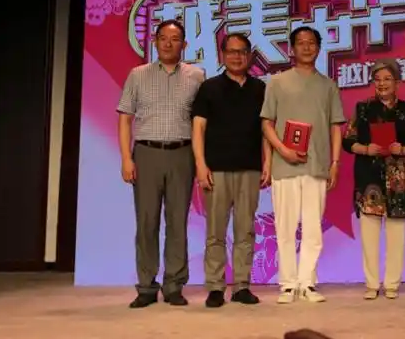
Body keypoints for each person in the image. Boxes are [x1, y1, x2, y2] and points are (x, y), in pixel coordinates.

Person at [117, 19, 205, 308]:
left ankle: (174, 285)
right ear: (154, 42)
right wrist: (126, 158)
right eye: (163, 38)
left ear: (184, 44)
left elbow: (201, 123)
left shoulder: (197, 76)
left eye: (175, 38)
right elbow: (125, 118)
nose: (168, 43)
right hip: (146, 153)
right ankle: (146, 286)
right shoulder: (138, 75)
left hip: (182, 153)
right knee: (147, 222)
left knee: (178, 222)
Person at [261, 26, 346, 304]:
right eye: (300, 43)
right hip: (283, 166)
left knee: (313, 228)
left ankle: (307, 282)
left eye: (311, 43)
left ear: (319, 49)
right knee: (285, 228)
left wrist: (335, 162)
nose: (306, 47)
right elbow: (267, 123)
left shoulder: (328, 85)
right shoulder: (277, 82)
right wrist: (282, 150)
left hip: (316, 165)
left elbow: (336, 126)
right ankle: (287, 284)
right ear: (291, 49)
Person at [191, 33, 270, 308]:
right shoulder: (209, 87)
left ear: (249, 56)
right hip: (217, 169)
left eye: (242, 51)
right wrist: (200, 164)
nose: (237, 56)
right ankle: (215, 287)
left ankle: (241, 286)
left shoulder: (260, 88)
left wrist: (268, 162)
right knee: (216, 232)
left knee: (245, 230)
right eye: (232, 51)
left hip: (249, 168)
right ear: (223, 55)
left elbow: (266, 128)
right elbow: (198, 128)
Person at [342, 59, 405, 300]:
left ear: (397, 82)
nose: (382, 84)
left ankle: (391, 284)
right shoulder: (363, 109)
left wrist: (403, 149)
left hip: (398, 180)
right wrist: (366, 149)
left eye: (387, 79)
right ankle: (371, 284)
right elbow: (348, 141)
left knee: (396, 235)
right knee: (369, 236)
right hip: (369, 180)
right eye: (377, 79)